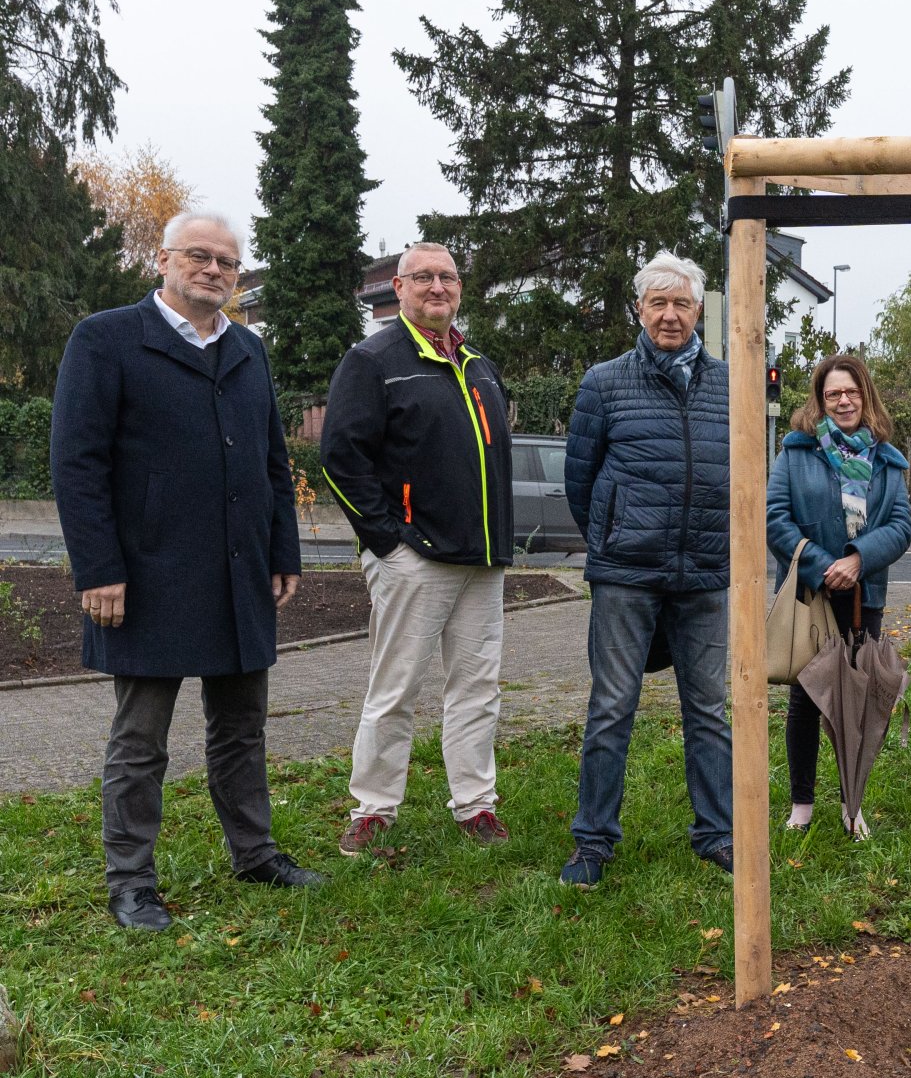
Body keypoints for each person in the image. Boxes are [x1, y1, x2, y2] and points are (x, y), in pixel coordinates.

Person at [50, 210, 321, 930]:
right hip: (146, 573)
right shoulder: (106, 339)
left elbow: (272, 459)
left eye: (227, 263)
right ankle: (131, 882)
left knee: (242, 727)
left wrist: (283, 550)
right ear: (163, 262)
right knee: (140, 738)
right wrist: (98, 568)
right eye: (198, 257)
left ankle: (256, 853)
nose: (213, 270)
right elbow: (77, 464)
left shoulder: (247, 350)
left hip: (239, 571)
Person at [321, 242, 515, 855]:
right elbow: (340, 456)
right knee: (396, 688)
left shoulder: (479, 363)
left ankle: (476, 805)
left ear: (460, 290)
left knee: (478, 689)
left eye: (449, 277)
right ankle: (373, 809)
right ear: (398, 289)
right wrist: (386, 542)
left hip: (482, 562)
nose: (438, 287)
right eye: (424, 277)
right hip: (414, 559)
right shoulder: (373, 359)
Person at [559, 251, 733, 884]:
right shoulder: (605, 382)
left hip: (707, 573)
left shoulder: (728, 383)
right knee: (611, 706)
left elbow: (745, 478)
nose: (669, 315)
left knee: (709, 709)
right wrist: (616, 537)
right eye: (657, 303)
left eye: (681, 304)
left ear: (698, 311)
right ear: (639, 309)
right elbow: (581, 483)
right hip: (626, 574)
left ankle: (717, 833)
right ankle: (593, 841)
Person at [766, 354, 911, 838]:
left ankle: (853, 804)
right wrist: (821, 566)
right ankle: (802, 805)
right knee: (806, 699)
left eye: (851, 391)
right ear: (821, 400)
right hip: (811, 596)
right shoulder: (796, 452)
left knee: (859, 701)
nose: (844, 400)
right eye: (833, 393)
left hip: (862, 595)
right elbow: (776, 520)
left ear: (864, 395)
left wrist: (856, 559)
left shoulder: (888, 461)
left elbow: (900, 528)